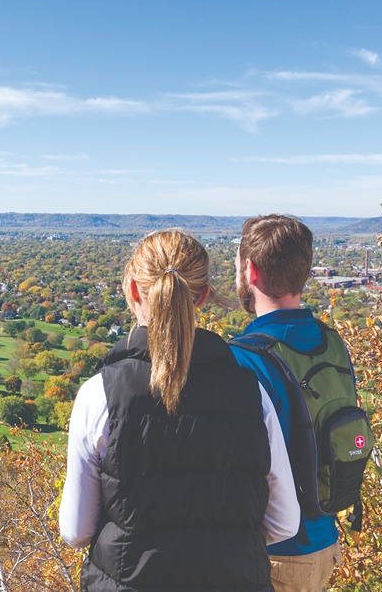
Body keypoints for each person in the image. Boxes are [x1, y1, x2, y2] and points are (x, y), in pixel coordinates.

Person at [60, 229, 299, 591]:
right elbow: (284, 522)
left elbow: (76, 531)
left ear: (134, 290)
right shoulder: (251, 392)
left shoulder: (100, 395)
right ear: (203, 295)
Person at [230, 214, 344, 591]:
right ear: (304, 271)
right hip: (325, 540)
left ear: (250, 270)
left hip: (274, 552)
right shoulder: (331, 343)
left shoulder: (245, 358)